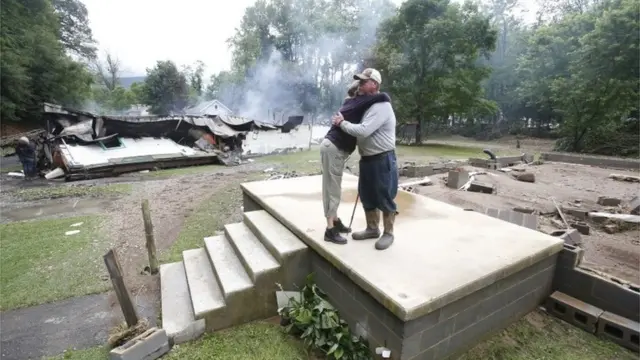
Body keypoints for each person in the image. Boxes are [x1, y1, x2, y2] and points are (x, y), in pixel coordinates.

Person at [332, 68, 398, 250]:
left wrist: (341, 123)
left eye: (364, 81)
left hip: (382, 158)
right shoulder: (368, 104)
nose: (360, 84)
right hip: (368, 158)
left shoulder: (381, 107)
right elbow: (351, 95)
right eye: (359, 81)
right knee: (367, 195)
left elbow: (363, 130)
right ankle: (372, 228)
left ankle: (388, 233)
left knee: (384, 195)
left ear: (374, 85)